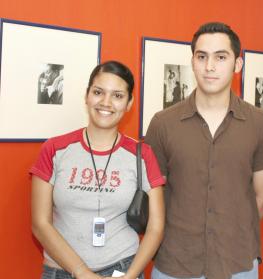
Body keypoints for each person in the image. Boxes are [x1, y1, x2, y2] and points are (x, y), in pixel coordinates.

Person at [145, 22, 263, 279]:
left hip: (237, 262)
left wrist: (230, 230)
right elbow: (153, 197)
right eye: (202, 56)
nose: (210, 66)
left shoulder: (260, 122)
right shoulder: (163, 123)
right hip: (175, 263)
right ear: (192, 61)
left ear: (237, 64)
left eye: (221, 57)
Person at [30, 61, 166, 279]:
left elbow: (156, 227)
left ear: (129, 102)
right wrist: (82, 273)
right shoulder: (55, 149)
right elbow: (40, 223)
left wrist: (131, 275)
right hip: (62, 272)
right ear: (87, 96)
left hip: (123, 269)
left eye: (118, 96)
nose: (106, 102)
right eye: (98, 92)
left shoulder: (142, 154)